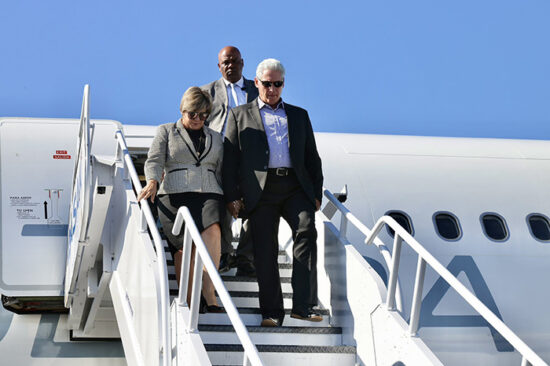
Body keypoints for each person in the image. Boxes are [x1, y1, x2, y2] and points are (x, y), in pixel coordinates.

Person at [223, 58, 324, 327]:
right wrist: (233, 195)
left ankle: (303, 306)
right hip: (260, 191)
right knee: (265, 252)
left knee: (306, 233)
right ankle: (271, 312)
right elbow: (230, 159)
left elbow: (312, 157)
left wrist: (316, 192)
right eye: (267, 84)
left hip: (295, 187)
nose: (272, 89)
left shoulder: (299, 115)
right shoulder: (239, 115)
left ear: (283, 85)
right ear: (257, 83)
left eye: (277, 84)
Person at [138, 86, 224, 313]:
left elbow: (222, 168)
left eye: (203, 115)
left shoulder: (216, 137)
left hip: (208, 191)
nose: (198, 119)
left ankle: (210, 294)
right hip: (174, 195)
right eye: (192, 114)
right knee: (185, 249)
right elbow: (154, 160)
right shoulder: (166, 131)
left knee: (213, 231)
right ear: (182, 110)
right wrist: (152, 181)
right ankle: (188, 301)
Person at [201, 46, 259, 276]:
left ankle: (246, 258)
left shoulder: (257, 90)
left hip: (250, 159)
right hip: (219, 155)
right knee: (219, 205)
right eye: (225, 62)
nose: (230, 65)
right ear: (219, 66)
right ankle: (224, 254)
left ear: (242, 63)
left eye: (234, 61)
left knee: (255, 206)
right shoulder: (207, 92)